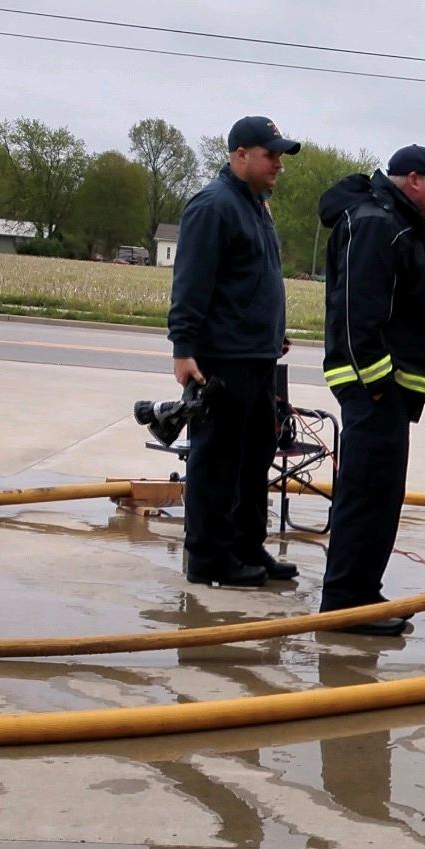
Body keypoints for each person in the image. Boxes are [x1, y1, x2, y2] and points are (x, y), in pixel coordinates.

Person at [317, 145, 425, 636]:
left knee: (379, 496)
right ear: (414, 179)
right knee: (365, 495)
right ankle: (344, 604)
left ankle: (362, 593)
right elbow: (361, 313)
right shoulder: (379, 224)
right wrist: (379, 385)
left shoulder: (394, 221)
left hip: (387, 394)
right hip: (374, 392)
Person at [167, 115, 301, 588]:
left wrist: (272, 333)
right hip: (222, 359)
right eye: (271, 156)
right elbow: (192, 283)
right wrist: (184, 350)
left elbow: (251, 281)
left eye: (280, 157)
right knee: (218, 459)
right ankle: (209, 558)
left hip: (257, 357)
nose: (277, 166)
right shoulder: (214, 206)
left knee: (253, 458)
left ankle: (246, 547)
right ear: (240, 154)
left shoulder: (256, 206)